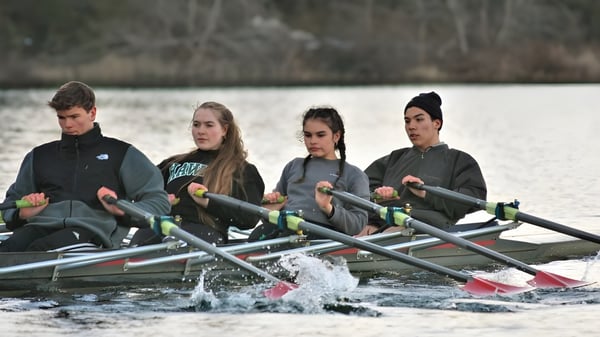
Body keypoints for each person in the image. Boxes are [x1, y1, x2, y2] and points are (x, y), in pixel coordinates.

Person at [0, 81, 171, 252]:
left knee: (41, 249)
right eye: (61, 117)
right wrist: (23, 213)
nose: (67, 125)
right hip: (39, 227)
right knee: (8, 249)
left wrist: (122, 210)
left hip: (92, 233)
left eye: (74, 117)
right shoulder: (39, 156)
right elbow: (11, 204)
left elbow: (159, 202)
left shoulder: (122, 154)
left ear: (92, 113)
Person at [129, 101, 265, 246]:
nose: (200, 130)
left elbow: (249, 219)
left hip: (203, 231)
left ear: (225, 130)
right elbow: (140, 195)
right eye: (196, 124)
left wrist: (209, 203)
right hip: (161, 226)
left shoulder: (242, 170)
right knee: (139, 241)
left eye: (209, 125)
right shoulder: (171, 164)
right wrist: (157, 203)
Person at [360, 91, 487, 235]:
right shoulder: (395, 158)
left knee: (391, 233)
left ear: (436, 123)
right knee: (360, 230)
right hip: (383, 222)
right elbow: (359, 188)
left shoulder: (459, 160)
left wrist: (425, 193)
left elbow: (473, 199)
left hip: (425, 228)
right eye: (407, 121)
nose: (411, 126)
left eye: (419, 120)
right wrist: (377, 197)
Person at [249, 106, 370, 241]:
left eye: (320, 135)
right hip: (285, 228)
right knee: (257, 234)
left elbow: (358, 224)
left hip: (322, 236)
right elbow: (269, 217)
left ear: (336, 136)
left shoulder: (354, 175)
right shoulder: (293, 166)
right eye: (308, 135)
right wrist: (269, 212)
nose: (313, 141)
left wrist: (328, 208)